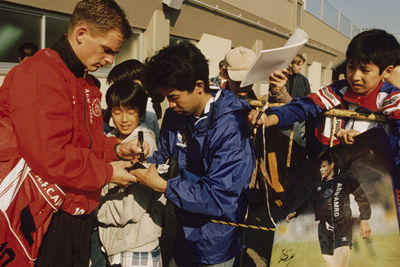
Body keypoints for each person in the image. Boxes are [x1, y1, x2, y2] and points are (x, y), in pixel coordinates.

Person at [0, 1, 145, 266]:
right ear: (81, 34)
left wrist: (116, 149)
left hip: (80, 211)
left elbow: (89, 142)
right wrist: (109, 172)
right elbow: (50, 157)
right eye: (107, 50)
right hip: (45, 217)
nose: (110, 60)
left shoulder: (86, 82)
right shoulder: (39, 75)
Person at [130, 42, 255, 266]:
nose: (170, 104)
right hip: (181, 230)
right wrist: (140, 160)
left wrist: (163, 186)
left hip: (216, 241)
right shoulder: (175, 115)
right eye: (166, 97)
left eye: (175, 97)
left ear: (199, 85)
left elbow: (220, 197)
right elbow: (165, 158)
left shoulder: (232, 126)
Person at [249, 29, 400, 170]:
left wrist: (366, 142)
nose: (355, 76)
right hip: (327, 174)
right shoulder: (336, 90)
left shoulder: (392, 99)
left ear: (387, 72)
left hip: (371, 180)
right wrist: (271, 117)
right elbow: (303, 106)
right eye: (351, 67)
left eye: (365, 70)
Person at [97, 80, 163, 267]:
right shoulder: (110, 139)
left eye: (131, 112)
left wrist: (96, 207)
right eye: (117, 112)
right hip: (113, 242)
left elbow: (131, 209)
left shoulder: (142, 145)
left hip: (137, 242)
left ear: (141, 113)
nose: (124, 119)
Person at [285, 151, 371, 267]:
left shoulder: (346, 178)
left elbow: (361, 197)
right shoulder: (318, 185)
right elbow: (306, 200)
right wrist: (296, 212)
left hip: (342, 225)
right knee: (329, 264)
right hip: (324, 229)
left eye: (324, 166)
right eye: (320, 167)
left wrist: (364, 219)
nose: (321, 169)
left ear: (332, 165)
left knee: (340, 264)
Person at [224, 46, 290, 101]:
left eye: (248, 80)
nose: (243, 85)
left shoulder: (254, 98)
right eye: (238, 81)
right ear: (225, 74)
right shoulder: (217, 100)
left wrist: (276, 93)